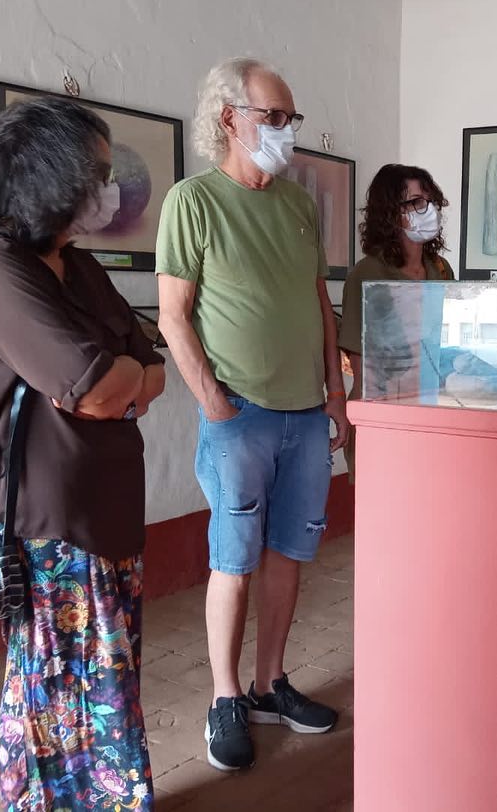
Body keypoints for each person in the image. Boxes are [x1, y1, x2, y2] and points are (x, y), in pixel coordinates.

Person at [0, 97, 166, 809]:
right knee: (60, 691)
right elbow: (98, 386)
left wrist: (122, 383)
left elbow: (149, 366)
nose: (107, 189)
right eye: (96, 174)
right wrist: (118, 384)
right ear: (49, 175)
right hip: (52, 527)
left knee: (106, 681)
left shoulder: (77, 265)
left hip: (111, 515)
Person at [155, 57, 346, 771]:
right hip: (241, 417)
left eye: (291, 117)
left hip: (307, 414)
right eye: (275, 116)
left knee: (289, 555)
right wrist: (214, 402)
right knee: (233, 560)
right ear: (229, 117)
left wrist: (335, 393)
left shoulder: (297, 204)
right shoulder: (193, 201)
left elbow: (319, 304)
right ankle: (226, 697)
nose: (286, 129)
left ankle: (271, 684)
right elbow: (173, 316)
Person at [337, 164, 455, 476]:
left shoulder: (440, 269)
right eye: (416, 202)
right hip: (384, 415)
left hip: (434, 410)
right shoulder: (368, 273)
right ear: (390, 212)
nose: (428, 210)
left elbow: (448, 343)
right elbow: (361, 366)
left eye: (430, 201)